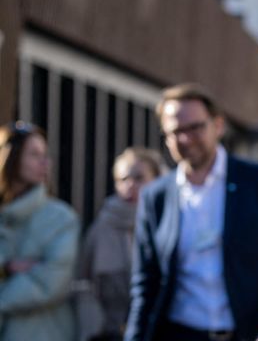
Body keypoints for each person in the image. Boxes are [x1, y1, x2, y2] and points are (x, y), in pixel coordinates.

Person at [125, 84, 258, 341]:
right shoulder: (156, 196)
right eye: (175, 131)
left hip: (250, 334)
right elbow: (145, 284)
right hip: (178, 334)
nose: (185, 139)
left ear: (218, 126)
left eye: (194, 127)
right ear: (165, 137)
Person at [0, 121, 80, 341]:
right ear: (10, 157)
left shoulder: (61, 218)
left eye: (45, 154)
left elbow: (50, 282)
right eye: (34, 154)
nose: (45, 162)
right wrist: (7, 267)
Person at [77, 147, 164, 341]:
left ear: (157, 179)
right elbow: (84, 281)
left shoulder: (168, 221)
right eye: (123, 179)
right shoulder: (102, 226)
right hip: (111, 331)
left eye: (139, 177)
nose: (130, 185)